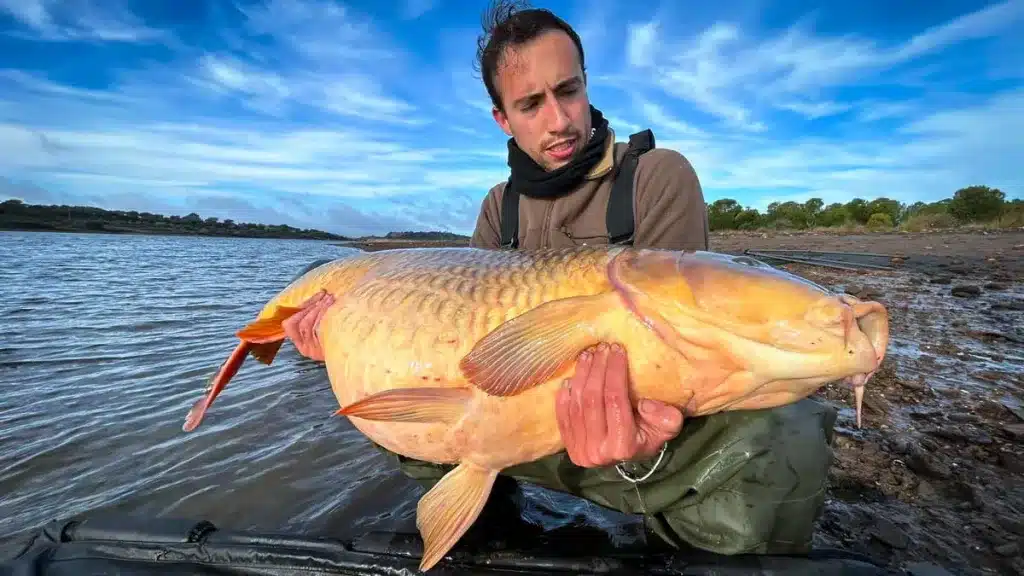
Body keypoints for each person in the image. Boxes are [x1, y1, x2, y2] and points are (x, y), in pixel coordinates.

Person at [282, 0, 838, 560]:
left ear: (586, 84)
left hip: (642, 428)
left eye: (567, 91)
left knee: (783, 434)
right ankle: (492, 524)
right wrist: (335, 338)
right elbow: (461, 339)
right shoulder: (497, 208)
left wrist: (637, 440)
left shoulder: (657, 175)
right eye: (530, 104)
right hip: (514, 426)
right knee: (406, 382)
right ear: (502, 118)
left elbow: (693, 352)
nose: (558, 120)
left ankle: (687, 550)